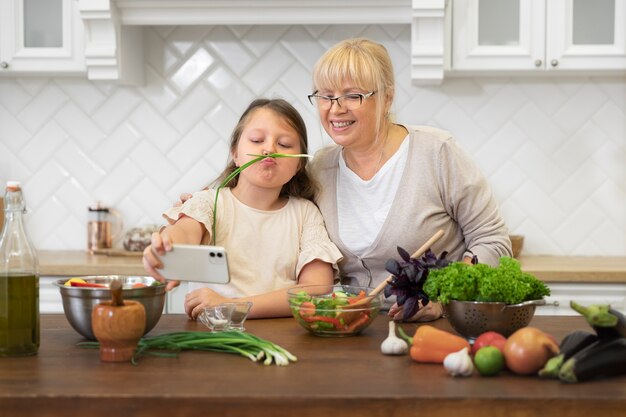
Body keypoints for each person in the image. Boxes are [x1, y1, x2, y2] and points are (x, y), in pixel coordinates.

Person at [306, 37, 512, 321]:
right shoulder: (320, 168)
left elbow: (493, 242)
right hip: (351, 330)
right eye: (325, 96)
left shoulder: (437, 152)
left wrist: (443, 299)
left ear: (387, 98)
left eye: (353, 95)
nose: (336, 108)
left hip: (439, 330)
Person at [143, 98, 342, 320]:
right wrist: (165, 247)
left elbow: (316, 288)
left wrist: (233, 305)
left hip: (285, 339)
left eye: (284, 144)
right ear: (235, 154)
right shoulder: (209, 202)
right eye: (257, 140)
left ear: (298, 165)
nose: (269, 149)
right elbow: (184, 233)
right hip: (215, 338)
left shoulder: (306, 213)